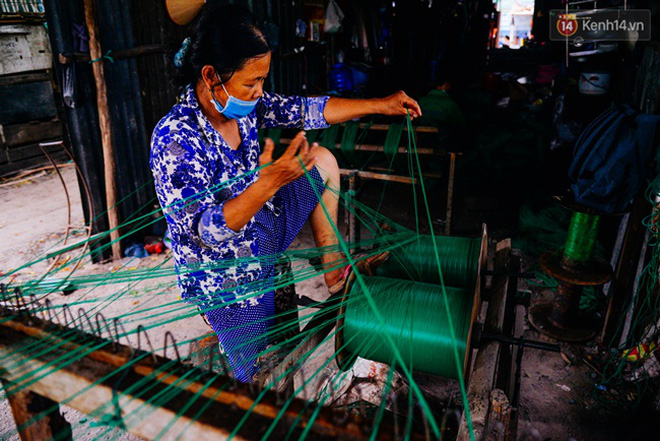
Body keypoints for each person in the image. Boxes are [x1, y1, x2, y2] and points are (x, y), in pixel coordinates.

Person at [150, 3, 421, 383]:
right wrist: (268, 183)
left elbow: (305, 109)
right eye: (251, 83)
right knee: (255, 376)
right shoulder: (175, 138)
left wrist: (380, 104)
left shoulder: (245, 109)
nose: (259, 93)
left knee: (322, 160)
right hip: (224, 274)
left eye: (263, 80)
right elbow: (206, 231)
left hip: (261, 232)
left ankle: (332, 267)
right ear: (210, 75)